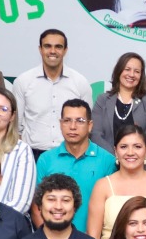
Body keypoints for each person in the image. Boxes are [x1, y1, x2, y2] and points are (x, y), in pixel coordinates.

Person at [88, 124, 146, 239]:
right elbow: (92, 237)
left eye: (137, 147)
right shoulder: (102, 186)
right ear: (116, 151)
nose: (130, 152)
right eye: (124, 147)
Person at [11, 29, 92, 158]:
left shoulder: (80, 83)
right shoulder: (23, 81)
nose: (52, 51)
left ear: (65, 50)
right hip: (33, 154)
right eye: (47, 46)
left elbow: (86, 125)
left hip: (70, 155)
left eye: (58, 47)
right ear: (40, 49)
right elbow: (16, 127)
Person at [35, 99, 117, 210]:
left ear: (90, 125)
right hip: (53, 222)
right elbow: (37, 205)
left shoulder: (108, 161)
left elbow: (113, 206)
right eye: (67, 120)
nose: (72, 127)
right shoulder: (46, 159)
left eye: (80, 121)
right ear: (60, 124)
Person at [91, 52, 146, 156]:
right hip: (108, 160)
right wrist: (116, 156)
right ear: (119, 71)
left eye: (137, 71)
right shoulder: (102, 100)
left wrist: (132, 156)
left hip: (140, 162)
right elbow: (96, 134)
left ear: (141, 76)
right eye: (127, 69)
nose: (131, 75)